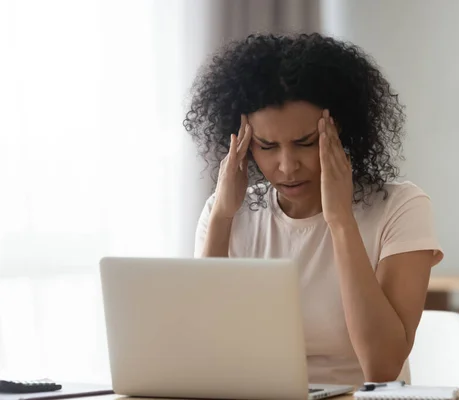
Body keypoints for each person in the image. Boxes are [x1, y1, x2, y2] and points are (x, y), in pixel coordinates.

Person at [183, 32, 444, 386]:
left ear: (342, 131)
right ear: (243, 145)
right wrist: (222, 218)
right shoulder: (226, 212)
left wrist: (340, 221)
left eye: (305, 143)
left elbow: (382, 368)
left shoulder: (400, 208)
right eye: (267, 146)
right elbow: (201, 348)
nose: (287, 166)